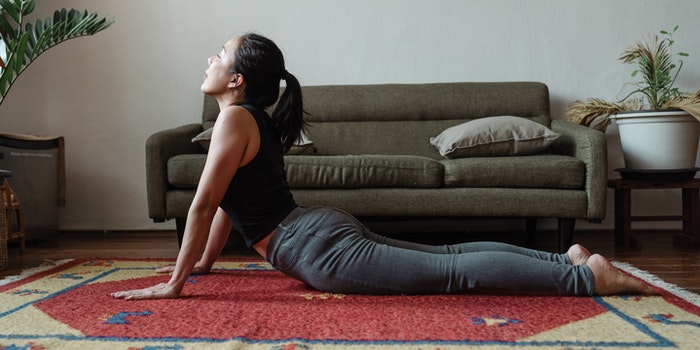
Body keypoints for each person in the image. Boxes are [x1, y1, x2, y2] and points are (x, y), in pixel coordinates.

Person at [111, 33, 654, 300]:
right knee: (449, 256)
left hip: (313, 247)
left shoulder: (233, 122)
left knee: (453, 272)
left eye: (219, 55)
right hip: (316, 231)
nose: (210, 59)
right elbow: (228, 205)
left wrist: (174, 284)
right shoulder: (248, 118)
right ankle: (569, 257)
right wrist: (204, 265)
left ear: (236, 80)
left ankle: (583, 277)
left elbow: (205, 204)